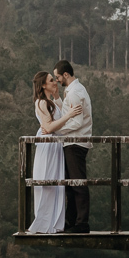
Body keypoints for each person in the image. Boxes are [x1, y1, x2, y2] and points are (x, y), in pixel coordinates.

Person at [27, 71, 82, 234]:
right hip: (48, 146)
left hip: (56, 145)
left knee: (57, 182)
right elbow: (50, 127)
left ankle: (54, 223)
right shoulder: (41, 103)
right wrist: (70, 115)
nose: (54, 82)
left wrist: (57, 95)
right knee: (47, 181)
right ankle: (43, 223)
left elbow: (59, 116)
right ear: (43, 85)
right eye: (51, 81)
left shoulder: (50, 101)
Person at [54, 60, 93, 234]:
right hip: (73, 141)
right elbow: (67, 113)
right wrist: (57, 99)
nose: (57, 81)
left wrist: (58, 129)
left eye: (57, 77)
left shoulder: (75, 93)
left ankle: (81, 223)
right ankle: (71, 222)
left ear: (66, 75)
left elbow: (76, 122)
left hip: (76, 142)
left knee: (78, 184)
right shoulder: (73, 91)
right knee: (71, 184)